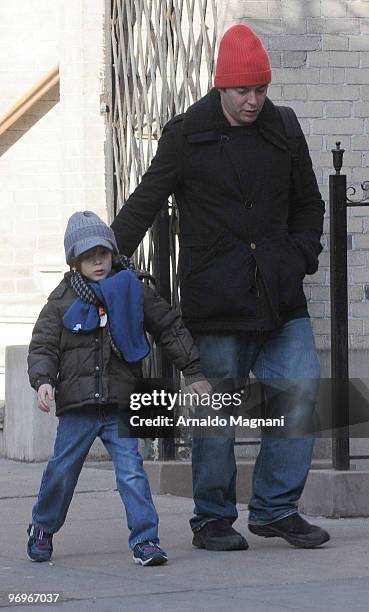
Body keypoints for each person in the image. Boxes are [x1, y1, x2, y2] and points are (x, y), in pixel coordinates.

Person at [111, 23, 330, 551]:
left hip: (280, 298)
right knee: (215, 414)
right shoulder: (187, 134)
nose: (253, 101)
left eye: (260, 90)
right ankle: (212, 518)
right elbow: (145, 201)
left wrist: (300, 255)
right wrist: (102, 258)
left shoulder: (284, 127)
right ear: (221, 86)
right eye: (242, 91)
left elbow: (310, 204)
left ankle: (276, 508)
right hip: (216, 300)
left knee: (299, 392)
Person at [27, 210, 209, 565]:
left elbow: (169, 328)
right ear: (74, 260)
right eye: (87, 255)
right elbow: (44, 345)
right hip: (78, 407)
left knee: (131, 470)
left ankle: (145, 540)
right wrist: (44, 381)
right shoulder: (62, 299)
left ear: (112, 253)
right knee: (62, 471)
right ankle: (43, 527)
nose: (97, 261)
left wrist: (194, 371)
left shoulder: (132, 290)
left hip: (121, 403)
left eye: (103, 253)